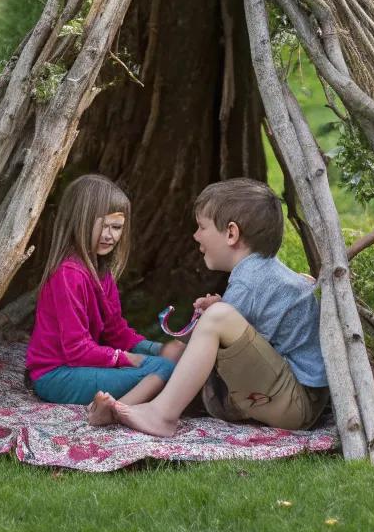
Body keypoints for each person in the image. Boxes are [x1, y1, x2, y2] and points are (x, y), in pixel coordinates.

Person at [92, 178, 329, 436]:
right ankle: (122, 407)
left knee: (211, 324)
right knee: (194, 340)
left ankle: (160, 415)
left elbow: (221, 351)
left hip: (296, 402)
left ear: (231, 233)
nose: (195, 236)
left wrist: (217, 316)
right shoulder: (262, 273)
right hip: (284, 392)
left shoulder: (251, 281)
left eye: (201, 227)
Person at [27, 173, 183, 416]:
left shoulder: (101, 272)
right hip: (56, 375)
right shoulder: (69, 275)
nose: (109, 235)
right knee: (162, 371)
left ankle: (118, 406)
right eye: (101, 225)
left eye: (117, 227)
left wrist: (155, 349)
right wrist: (130, 359)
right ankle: (112, 413)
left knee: (169, 363)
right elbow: (77, 349)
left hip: (79, 368)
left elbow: (115, 330)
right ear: (78, 223)